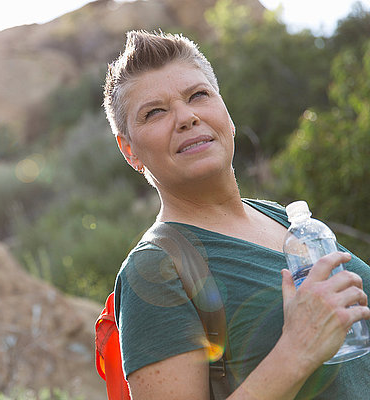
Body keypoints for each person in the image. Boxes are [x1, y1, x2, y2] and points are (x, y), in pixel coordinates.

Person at [103, 30, 370, 399]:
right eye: (154, 112)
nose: (186, 117)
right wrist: (296, 351)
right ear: (129, 150)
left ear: (225, 113)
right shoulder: (154, 270)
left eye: (198, 95)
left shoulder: (283, 219)